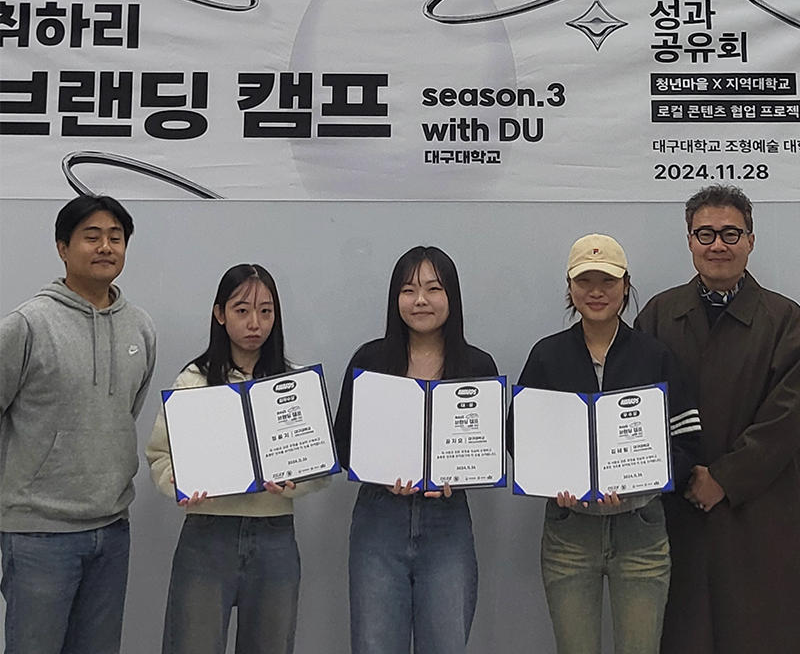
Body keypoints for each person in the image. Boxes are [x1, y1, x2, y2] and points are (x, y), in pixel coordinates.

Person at [515, 234, 701, 654]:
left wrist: (644, 479)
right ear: (569, 287)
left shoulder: (655, 355)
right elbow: (520, 437)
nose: (596, 292)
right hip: (569, 532)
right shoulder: (547, 356)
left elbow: (687, 440)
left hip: (641, 530)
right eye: (584, 281)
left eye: (608, 281)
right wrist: (552, 479)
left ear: (626, 285)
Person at [635, 185, 800, 654]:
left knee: (759, 632)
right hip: (676, 508)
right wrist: (681, 472)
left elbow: (787, 416)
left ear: (751, 240)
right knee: (681, 631)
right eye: (705, 233)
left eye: (731, 233)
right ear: (690, 241)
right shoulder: (659, 314)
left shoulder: (786, 319)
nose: (718, 245)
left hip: (758, 510)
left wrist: (725, 478)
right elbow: (638, 406)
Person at [0, 194, 156, 654]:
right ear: (62, 248)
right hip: (38, 533)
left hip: (113, 529)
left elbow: (125, 413)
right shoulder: (27, 325)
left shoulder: (141, 327)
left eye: (116, 237)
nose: (106, 247)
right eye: (91, 236)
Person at [147, 263, 328, 654]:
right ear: (220, 314)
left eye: (265, 311)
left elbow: (321, 465)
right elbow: (160, 455)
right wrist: (179, 483)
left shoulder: (294, 383)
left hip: (275, 535)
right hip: (207, 533)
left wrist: (297, 481)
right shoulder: (193, 381)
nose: (254, 323)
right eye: (242, 310)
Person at [333, 246, 497, 654]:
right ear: (396, 299)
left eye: (433, 289)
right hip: (378, 519)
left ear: (451, 296)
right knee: (374, 644)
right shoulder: (370, 360)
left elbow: (488, 450)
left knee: (446, 643)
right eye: (408, 290)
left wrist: (460, 475)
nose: (421, 300)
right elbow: (343, 442)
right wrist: (380, 471)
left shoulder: (477, 367)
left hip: (447, 521)